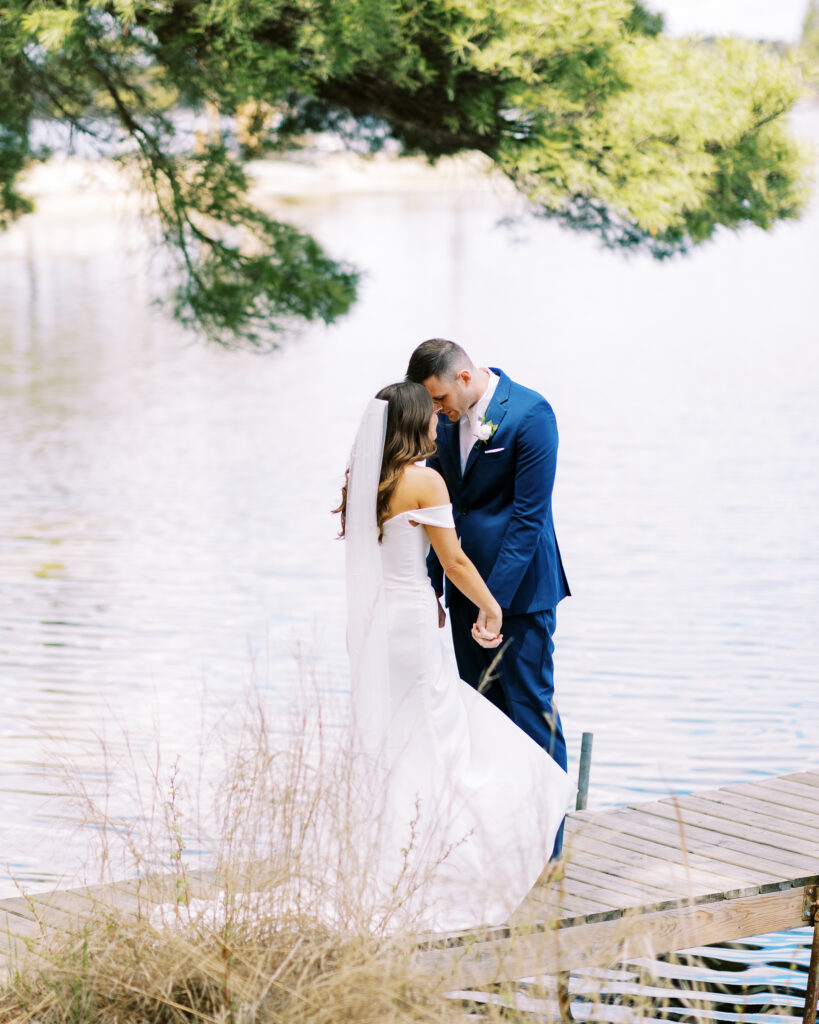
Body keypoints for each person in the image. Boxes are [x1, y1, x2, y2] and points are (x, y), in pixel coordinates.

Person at [338, 382, 570, 933]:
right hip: (415, 624)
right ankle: (471, 850)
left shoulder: (367, 482)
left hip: (378, 626)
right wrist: (491, 608)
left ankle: (395, 852)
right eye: (430, 417)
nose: (438, 425)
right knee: (441, 735)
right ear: (415, 423)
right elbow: (456, 561)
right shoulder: (424, 479)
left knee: (400, 736)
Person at [406, 339, 570, 859]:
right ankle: (501, 842)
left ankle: (548, 848)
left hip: (518, 597)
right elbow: (445, 515)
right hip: (464, 593)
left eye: (437, 399)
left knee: (527, 709)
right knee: (479, 715)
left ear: (464, 377)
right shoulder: (448, 423)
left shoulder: (530, 413)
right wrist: (434, 581)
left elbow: (528, 519)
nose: (434, 412)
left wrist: (491, 602)